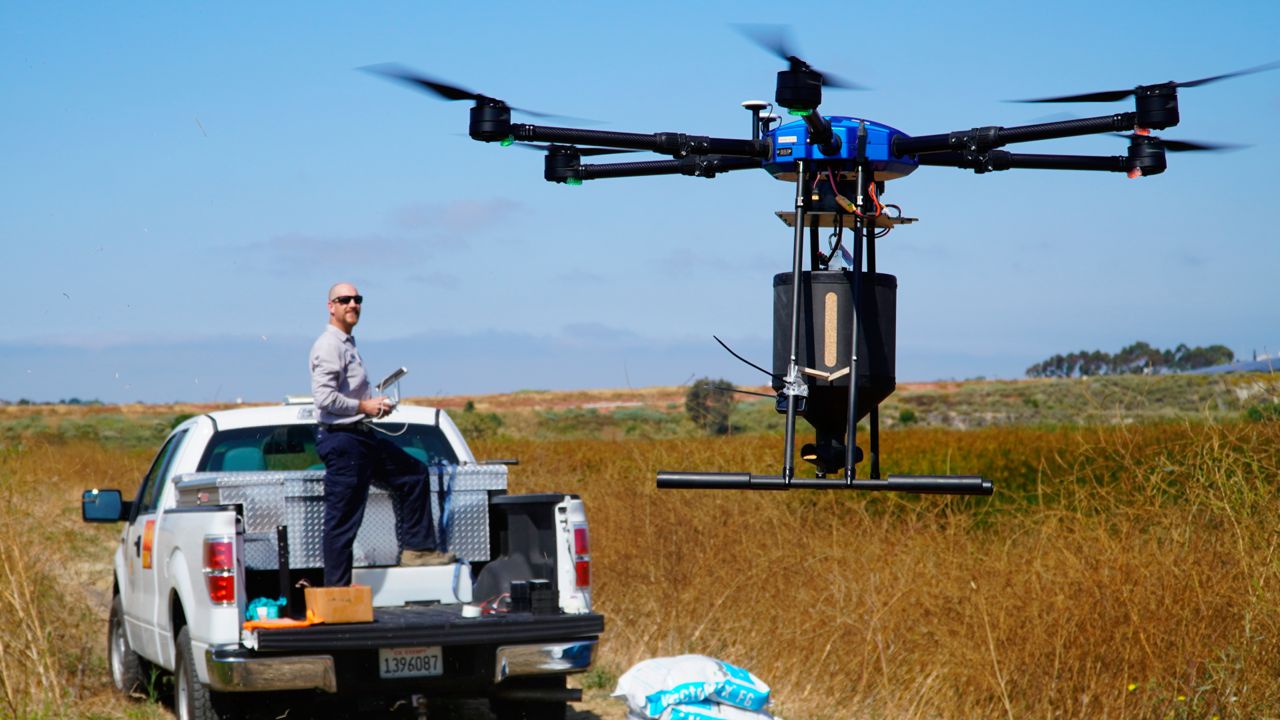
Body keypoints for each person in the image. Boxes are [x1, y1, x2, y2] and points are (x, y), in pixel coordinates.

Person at [309, 282, 453, 587]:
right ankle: (337, 595)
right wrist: (364, 405)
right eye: (344, 299)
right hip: (343, 441)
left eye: (357, 299)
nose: (352, 304)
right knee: (342, 524)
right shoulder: (329, 345)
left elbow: (348, 397)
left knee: (413, 474)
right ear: (330, 306)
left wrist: (376, 405)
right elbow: (324, 399)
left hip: (361, 436)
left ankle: (417, 551)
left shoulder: (348, 343)